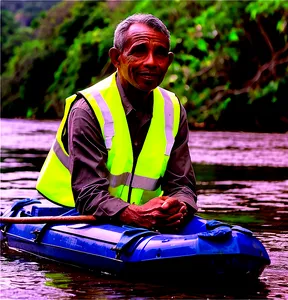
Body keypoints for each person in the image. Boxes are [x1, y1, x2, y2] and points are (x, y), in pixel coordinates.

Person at [36, 13, 197, 232]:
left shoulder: (174, 108)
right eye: (139, 51)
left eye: (159, 54)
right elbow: (88, 194)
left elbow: (182, 185)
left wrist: (178, 207)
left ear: (168, 62)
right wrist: (137, 214)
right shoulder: (88, 109)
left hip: (138, 219)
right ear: (116, 58)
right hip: (67, 214)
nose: (151, 62)